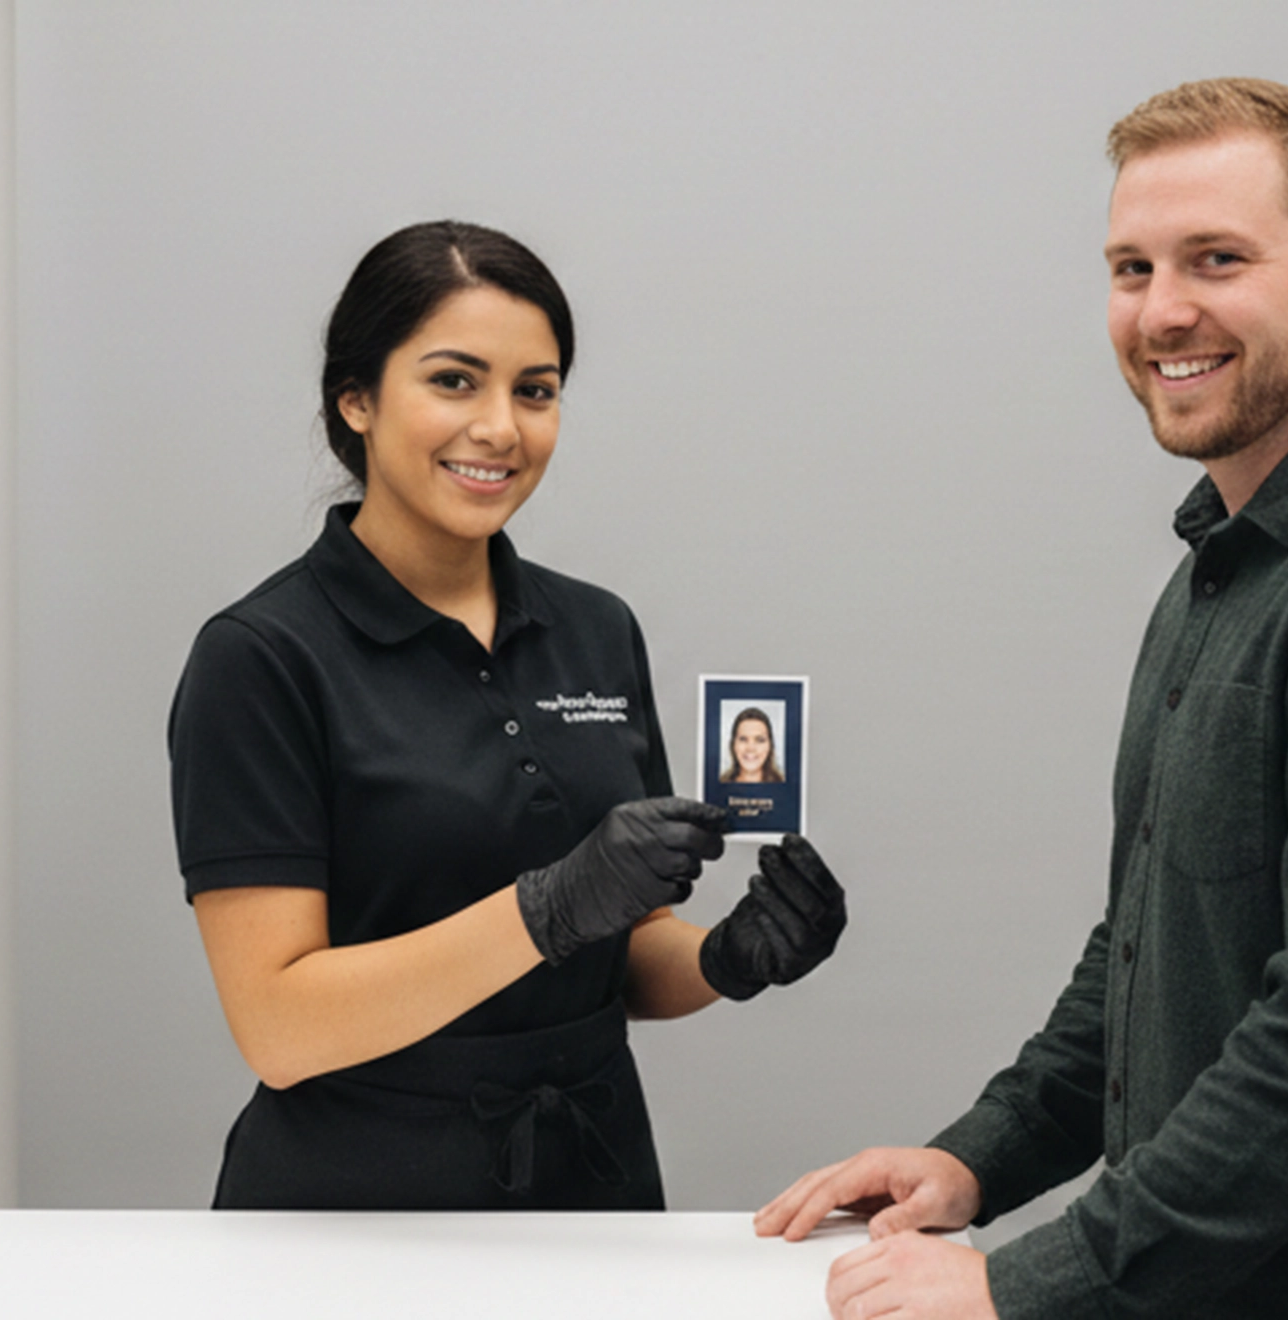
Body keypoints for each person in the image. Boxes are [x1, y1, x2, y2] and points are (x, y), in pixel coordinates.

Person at [757, 78, 1288, 1319]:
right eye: (1130, 268)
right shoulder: (1231, 559)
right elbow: (1149, 943)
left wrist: (1025, 1285)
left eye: (1215, 259)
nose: (1162, 311)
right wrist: (977, 1159)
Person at [167, 220, 850, 1211]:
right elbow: (279, 1029)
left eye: (535, 390)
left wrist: (725, 957)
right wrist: (546, 909)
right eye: (454, 380)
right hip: (353, 1212)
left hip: (591, 1187)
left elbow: (625, 954)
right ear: (354, 398)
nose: (501, 427)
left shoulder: (595, 628)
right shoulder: (262, 657)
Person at [719, 706, 786, 784]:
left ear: (770, 746)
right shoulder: (719, 785)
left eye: (760, 740)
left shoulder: (784, 784)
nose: (751, 748)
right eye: (743, 739)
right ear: (733, 744)